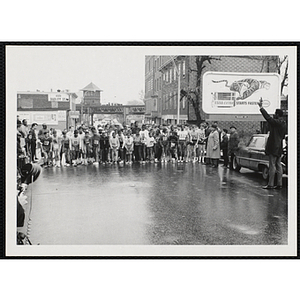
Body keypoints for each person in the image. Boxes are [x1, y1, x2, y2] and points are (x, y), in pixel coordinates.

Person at [258, 98, 286, 189]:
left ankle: (270, 184)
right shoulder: (283, 123)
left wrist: (261, 107)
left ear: (277, 115)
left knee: (272, 165)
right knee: (278, 164)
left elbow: (268, 118)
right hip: (280, 146)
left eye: (275, 113)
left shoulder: (276, 122)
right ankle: (279, 184)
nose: (274, 115)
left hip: (274, 146)